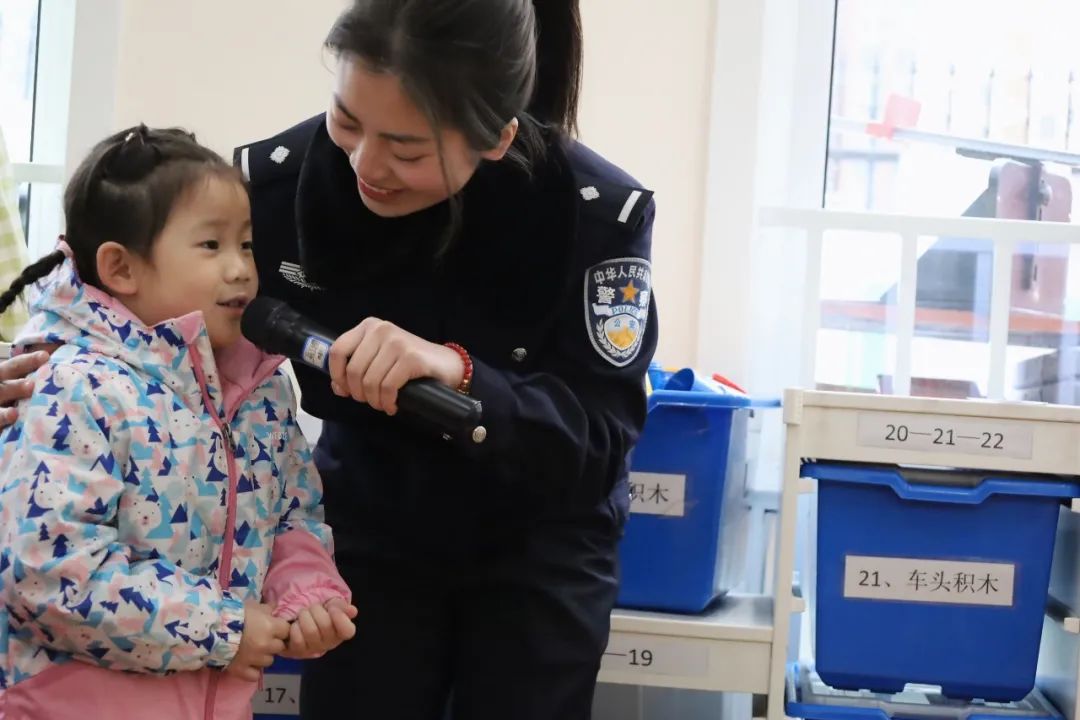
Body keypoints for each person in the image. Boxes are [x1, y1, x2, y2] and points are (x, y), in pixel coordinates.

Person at [2, 0, 659, 718]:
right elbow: (125, 299)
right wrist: (35, 365)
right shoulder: (276, 183)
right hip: (368, 527)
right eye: (346, 121)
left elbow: (598, 437)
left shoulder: (591, 213)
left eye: (407, 149)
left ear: (495, 137)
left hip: (539, 539)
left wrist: (460, 373)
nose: (365, 165)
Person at [0, 126, 357, 720]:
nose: (242, 269)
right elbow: (49, 577)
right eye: (212, 246)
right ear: (121, 268)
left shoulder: (261, 386)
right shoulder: (73, 386)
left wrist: (306, 597)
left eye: (246, 244)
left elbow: (293, 515)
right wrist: (221, 630)